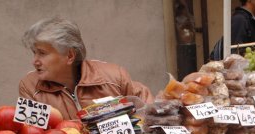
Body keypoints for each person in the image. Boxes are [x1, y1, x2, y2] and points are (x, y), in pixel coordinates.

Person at [19, 17, 154, 120]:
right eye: (34, 53)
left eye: (42, 53)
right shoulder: (30, 87)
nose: (34, 61)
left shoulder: (114, 77)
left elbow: (151, 114)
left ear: (70, 55)